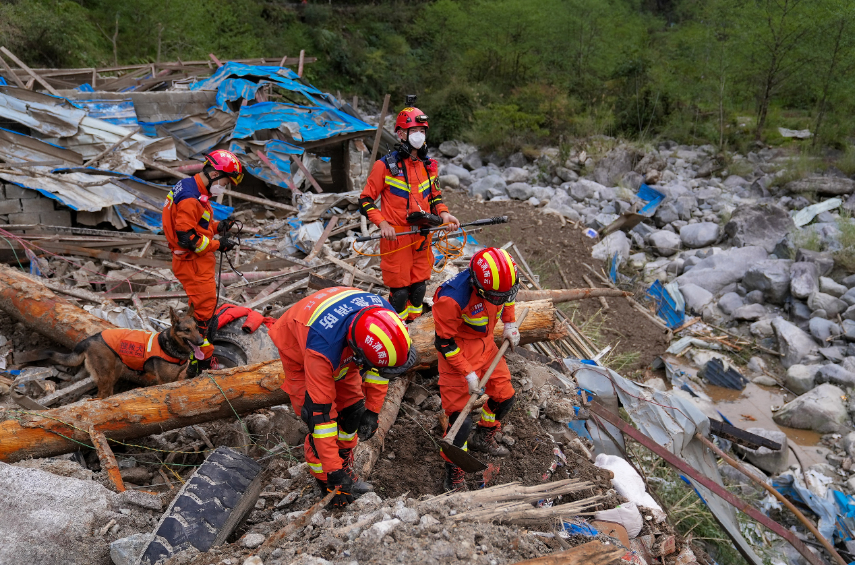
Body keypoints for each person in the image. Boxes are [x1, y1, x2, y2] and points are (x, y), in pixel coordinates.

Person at [269, 286, 417, 507]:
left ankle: (344, 463)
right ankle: (327, 482)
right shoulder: (321, 352)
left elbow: (379, 369)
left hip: (342, 342)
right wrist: (333, 472)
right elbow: (322, 418)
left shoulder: (383, 316)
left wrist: (373, 411)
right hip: (299, 344)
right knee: (314, 416)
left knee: (353, 413)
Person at [358, 105, 460, 322]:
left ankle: (413, 327)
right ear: (401, 134)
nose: (419, 136)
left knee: (418, 289)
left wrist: (445, 215)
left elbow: (436, 198)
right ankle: (397, 327)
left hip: (422, 237)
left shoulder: (429, 166)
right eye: (414, 131)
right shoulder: (384, 166)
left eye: (422, 131)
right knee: (400, 291)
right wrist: (383, 224)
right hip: (397, 238)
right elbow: (365, 200)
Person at [432, 247, 521, 492]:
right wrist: (468, 373)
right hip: (457, 357)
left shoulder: (502, 283)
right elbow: (443, 342)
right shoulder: (451, 299)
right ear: (479, 287)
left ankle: (484, 435)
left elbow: (509, 297)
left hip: (488, 347)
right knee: (460, 425)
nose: (501, 298)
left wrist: (510, 324)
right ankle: (454, 473)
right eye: (495, 296)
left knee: (505, 398)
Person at [163, 149, 244, 373]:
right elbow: (188, 238)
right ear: (216, 175)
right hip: (193, 263)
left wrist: (219, 227)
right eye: (226, 183)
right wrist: (220, 244)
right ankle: (200, 365)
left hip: (195, 262)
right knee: (204, 316)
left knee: (203, 311)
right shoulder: (190, 198)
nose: (224, 188)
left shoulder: (191, 187)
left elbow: (197, 225)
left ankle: (199, 357)